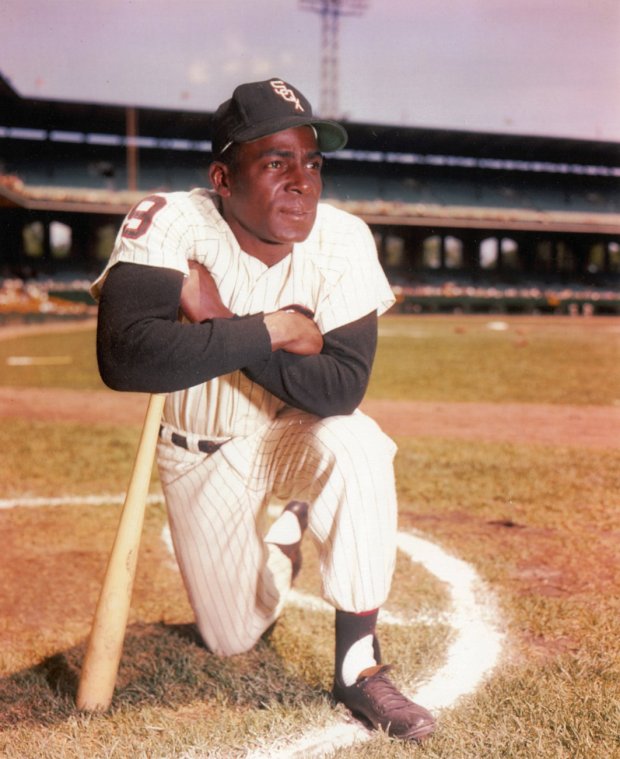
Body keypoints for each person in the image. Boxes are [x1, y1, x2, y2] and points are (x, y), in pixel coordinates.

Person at [91, 77, 435, 742]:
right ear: (223, 176)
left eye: (311, 162)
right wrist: (274, 329)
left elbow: (339, 388)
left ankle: (359, 668)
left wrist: (217, 319)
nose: (301, 181)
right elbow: (128, 356)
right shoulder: (169, 220)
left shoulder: (343, 238)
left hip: (291, 429)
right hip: (199, 447)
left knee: (357, 443)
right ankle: (285, 536)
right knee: (231, 636)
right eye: (276, 162)